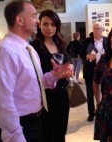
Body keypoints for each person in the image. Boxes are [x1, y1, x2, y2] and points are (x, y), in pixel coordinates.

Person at [0, 1, 73, 142]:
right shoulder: (4, 51)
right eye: (33, 16)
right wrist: (16, 136)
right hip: (20, 126)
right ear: (19, 20)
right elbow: (3, 102)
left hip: (35, 121)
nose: (37, 21)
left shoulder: (28, 49)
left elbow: (35, 84)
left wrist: (54, 76)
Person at [30, 9, 70, 142]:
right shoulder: (34, 47)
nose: (49, 28)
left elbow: (68, 61)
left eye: (53, 24)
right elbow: (33, 76)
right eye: (45, 24)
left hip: (63, 94)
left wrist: (69, 68)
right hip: (46, 98)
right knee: (48, 133)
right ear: (39, 25)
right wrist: (54, 75)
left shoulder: (60, 43)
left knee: (61, 130)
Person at [81, 22, 108, 122]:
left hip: (105, 71)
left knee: (105, 91)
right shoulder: (87, 41)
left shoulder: (107, 41)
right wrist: (86, 57)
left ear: (102, 30)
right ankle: (91, 113)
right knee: (89, 93)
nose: (96, 30)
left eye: (98, 28)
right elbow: (82, 54)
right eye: (94, 28)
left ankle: (103, 111)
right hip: (90, 70)